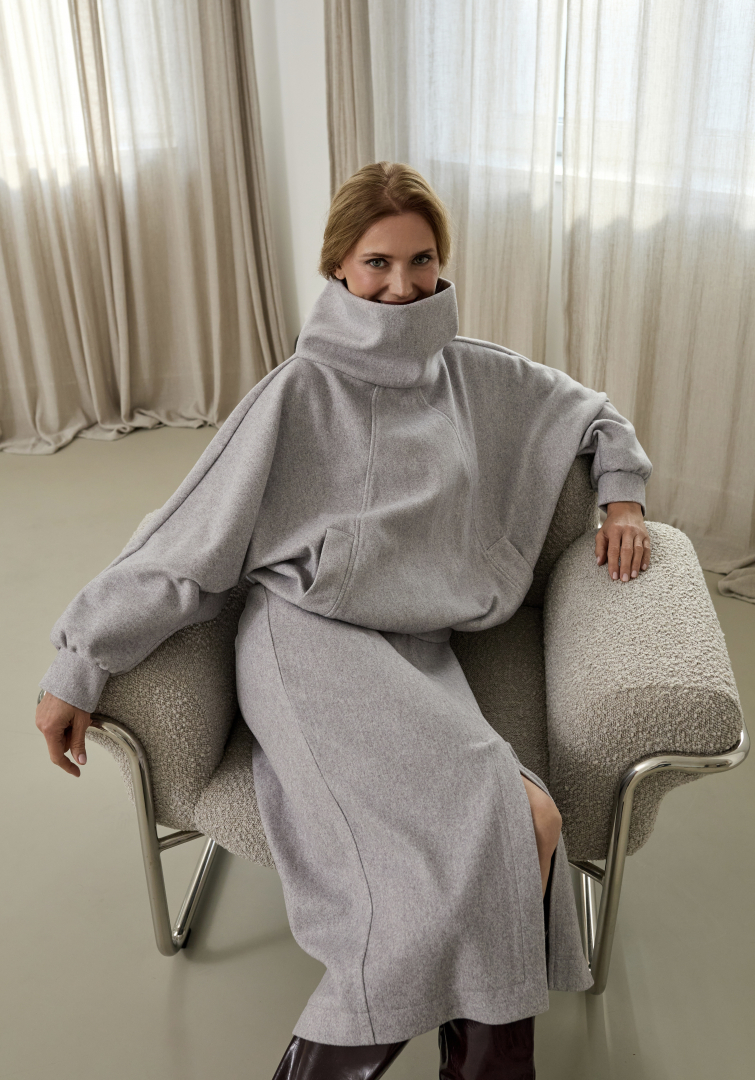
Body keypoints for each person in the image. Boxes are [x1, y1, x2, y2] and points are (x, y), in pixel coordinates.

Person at [36, 162, 652, 1079]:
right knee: (520, 820)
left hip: (418, 652)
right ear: (337, 268)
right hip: (305, 646)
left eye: (420, 260)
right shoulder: (296, 391)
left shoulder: (472, 375)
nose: (402, 285)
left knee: (523, 827)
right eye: (376, 263)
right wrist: (79, 663)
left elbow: (595, 416)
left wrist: (622, 499)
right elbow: (182, 544)